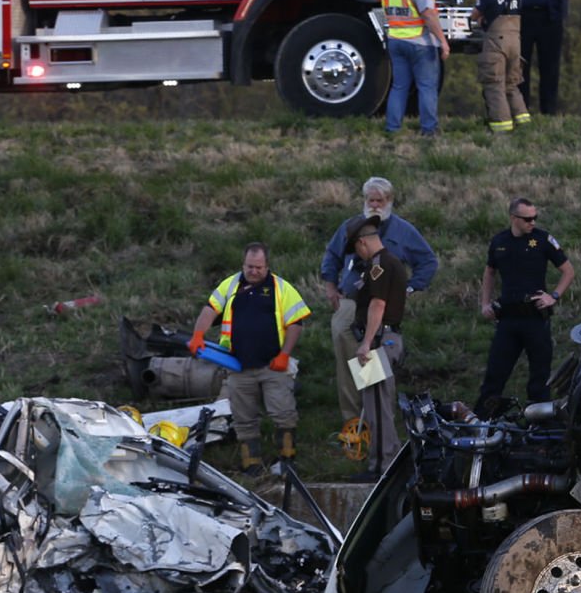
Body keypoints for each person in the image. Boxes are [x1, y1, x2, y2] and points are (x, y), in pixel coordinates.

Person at [319, 177, 438, 429]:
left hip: (381, 304)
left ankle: (377, 418)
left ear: (390, 201)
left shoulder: (403, 231)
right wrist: (330, 286)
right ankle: (353, 420)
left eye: (379, 200)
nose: (374, 205)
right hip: (350, 301)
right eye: (369, 200)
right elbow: (331, 254)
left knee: (372, 356)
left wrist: (410, 286)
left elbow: (428, 260)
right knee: (347, 355)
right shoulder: (350, 226)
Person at [187, 244, 310, 474]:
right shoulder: (231, 284)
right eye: (249, 267)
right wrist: (198, 335)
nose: (254, 271)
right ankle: (251, 465)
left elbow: (296, 323)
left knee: (283, 413)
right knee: (244, 418)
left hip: (273, 364)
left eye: (259, 267)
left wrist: (284, 354)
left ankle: (287, 460)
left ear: (267, 266)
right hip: (238, 365)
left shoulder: (281, 287)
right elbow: (210, 309)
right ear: (243, 265)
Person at [477, 197, 574, 416]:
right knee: (495, 373)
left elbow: (568, 271)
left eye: (535, 218)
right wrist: (485, 303)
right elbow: (489, 272)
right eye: (527, 219)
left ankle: (540, 427)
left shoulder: (543, 240)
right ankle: (484, 423)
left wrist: (554, 296)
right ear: (514, 218)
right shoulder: (499, 241)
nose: (532, 222)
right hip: (508, 317)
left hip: (535, 317)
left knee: (540, 378)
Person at [349, 219, 408, 480]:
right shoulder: (382, 263)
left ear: (362, 242)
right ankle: (376, 464)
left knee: (379, 403)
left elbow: (378, 304)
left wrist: (366, 342)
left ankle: (385, 466)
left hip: (379, 340)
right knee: (372, 403)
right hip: (378, 339)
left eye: (356, 249)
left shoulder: (380, 265)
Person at [381, 0, 451, 136]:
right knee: (427, 87)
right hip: (419, 43)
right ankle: (429, 130)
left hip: (395, 39)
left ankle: (392, 129)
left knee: (399, 87)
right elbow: (429, 15)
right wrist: (443, 42)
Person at [506, 0, 568, 115]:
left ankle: (549, 110)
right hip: (523, 20)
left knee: (549, 67)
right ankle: (522, 109)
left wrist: (559, 18)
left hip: (548, 20)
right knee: (520, 67)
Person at [470, 0, 529, 133]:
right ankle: (523, 123)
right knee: (512, 84)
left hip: (496, 42)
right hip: (515, 41)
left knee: (494, 83)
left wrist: (481, 21)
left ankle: (501, 127)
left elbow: (474, 15)